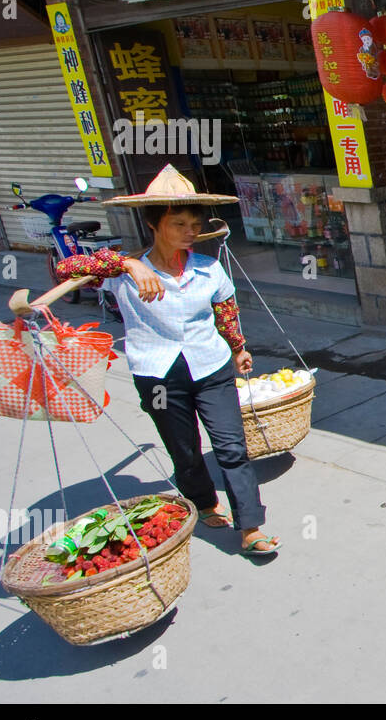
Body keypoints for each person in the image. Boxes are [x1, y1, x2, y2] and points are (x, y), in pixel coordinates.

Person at [54, 165, 280, 556]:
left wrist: (238, 347)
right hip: (157, 376)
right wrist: (128, 263)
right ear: (154, 224)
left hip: (210, 367)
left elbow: (225, 311)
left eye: (194, 223)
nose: (189, 231)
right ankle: (205, 503)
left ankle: (250, 527)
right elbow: (66, 267)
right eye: (179, 223)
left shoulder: (208, 269)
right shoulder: (122, 272)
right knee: (184, 448)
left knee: (231, 447)